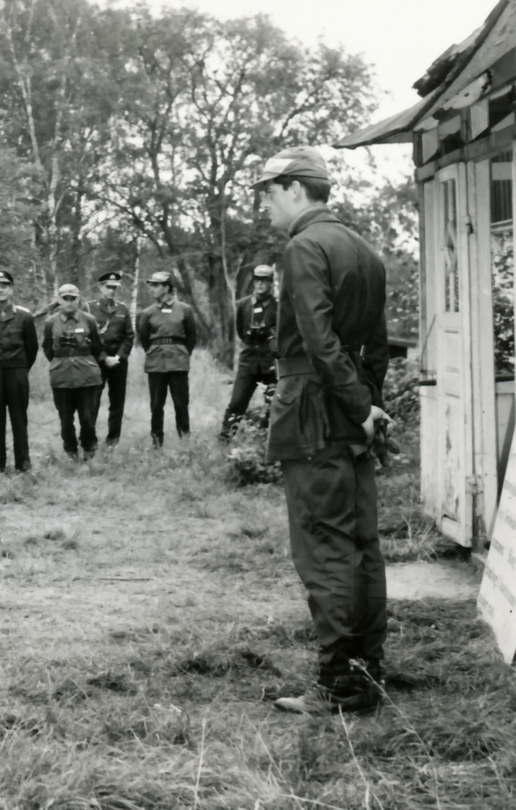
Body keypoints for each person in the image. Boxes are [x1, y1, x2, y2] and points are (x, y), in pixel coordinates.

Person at [254, 147, 390, 715]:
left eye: (268, 192)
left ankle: (340, 684)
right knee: (361, 543)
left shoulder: (305, 246)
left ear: (294, 189)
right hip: (349, 408)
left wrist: (358, 405)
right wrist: (370, 406)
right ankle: (366, 672)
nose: (264, 204)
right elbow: (376, 344)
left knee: (324, 546)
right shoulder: (364, 249)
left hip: (317, 408)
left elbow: (316, 337)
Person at [0, 269, 38, 472]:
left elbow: (32, 348)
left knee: (19, 418)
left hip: (17, 372)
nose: (0, 290)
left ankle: (23, 463)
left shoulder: (25, 316)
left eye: (4, 286)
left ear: (11, 289)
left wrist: (21, 368)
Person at [136, 270, 196, 448]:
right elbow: (144, 338)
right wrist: (155, 351)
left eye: (156, 285)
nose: (152, 289)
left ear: (167, 287)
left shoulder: (185, 309)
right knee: (156, 405)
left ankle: (185, 442)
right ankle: (156, 442)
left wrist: (183, 353)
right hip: (156, 363)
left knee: (181, 404)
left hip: (178, 362)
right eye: (151, 285)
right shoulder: (147, 313)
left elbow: (191, 336)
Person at [42, 284, 102, 459]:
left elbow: (97, 346)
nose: (69, 302)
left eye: (72, 298)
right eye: (65, 298)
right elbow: (47, 349)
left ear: (78, 299)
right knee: (66, 418)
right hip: (61, 376)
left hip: (86, 376)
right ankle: (70, 449)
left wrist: (86, 361)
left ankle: (89, 447)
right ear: (59, 300)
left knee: (87, 416)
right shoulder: (50, 322)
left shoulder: (89, 319)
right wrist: (61, 361)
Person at [220, 265, 279, 441]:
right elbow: (240, 330)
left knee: (274, 402)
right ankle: (225, 439)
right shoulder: (243, 305)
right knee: (237, 402)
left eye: (265, 281)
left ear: (270, 283)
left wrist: (269, 333)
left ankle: (264, 437)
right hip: (249, 358)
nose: (260, 284)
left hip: (270, 359)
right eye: (257, 280)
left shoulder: (278, 306)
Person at [85, 270, 134, 446]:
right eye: (109, 287)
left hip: (119, 361)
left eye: (115, 288)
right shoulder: (89, 308)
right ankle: (90, 439)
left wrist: (119, 357)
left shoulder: (123, 309)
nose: (112, 291)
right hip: (97, 360)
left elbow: (129, 336)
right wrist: (104, 357)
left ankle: (113, 439)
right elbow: (87, 337)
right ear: (100, 287)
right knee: (93, 401)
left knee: (117, 402)